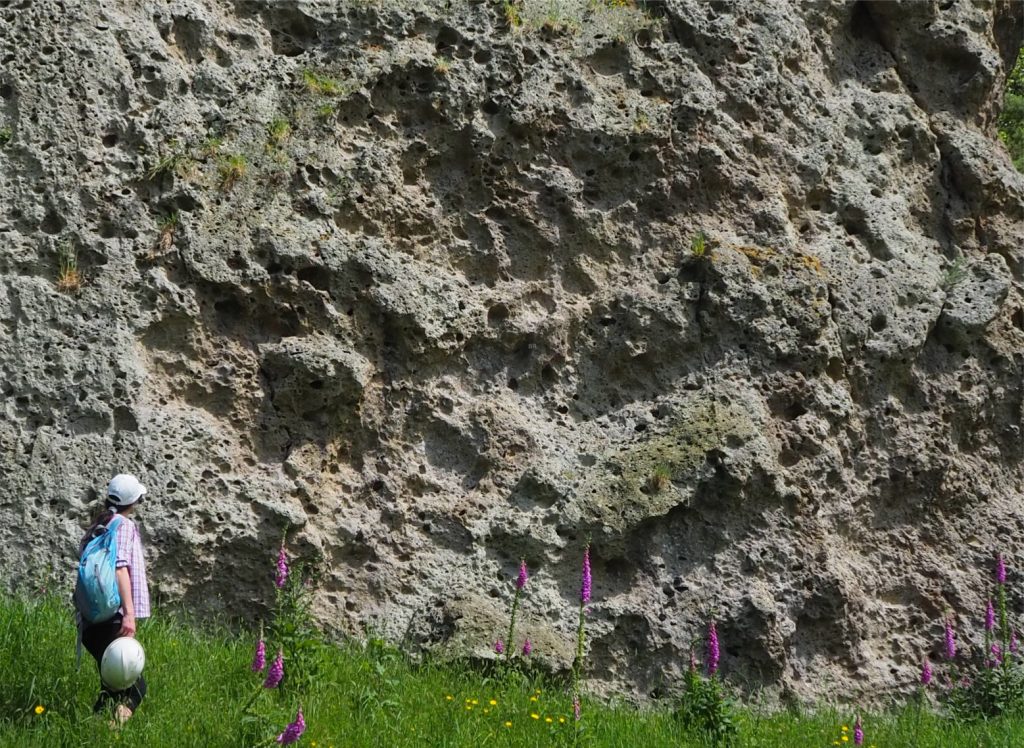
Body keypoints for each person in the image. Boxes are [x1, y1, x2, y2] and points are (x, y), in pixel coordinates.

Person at [78, 473, 150, 726]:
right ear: (135, 500)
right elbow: (120, 568)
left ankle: (94, 730)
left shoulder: (99, 524)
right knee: (136, 687)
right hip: (113, 618)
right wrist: (129, 614)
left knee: (110, 688)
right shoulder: (124, 525)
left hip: (91, 622)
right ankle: (114, 731)